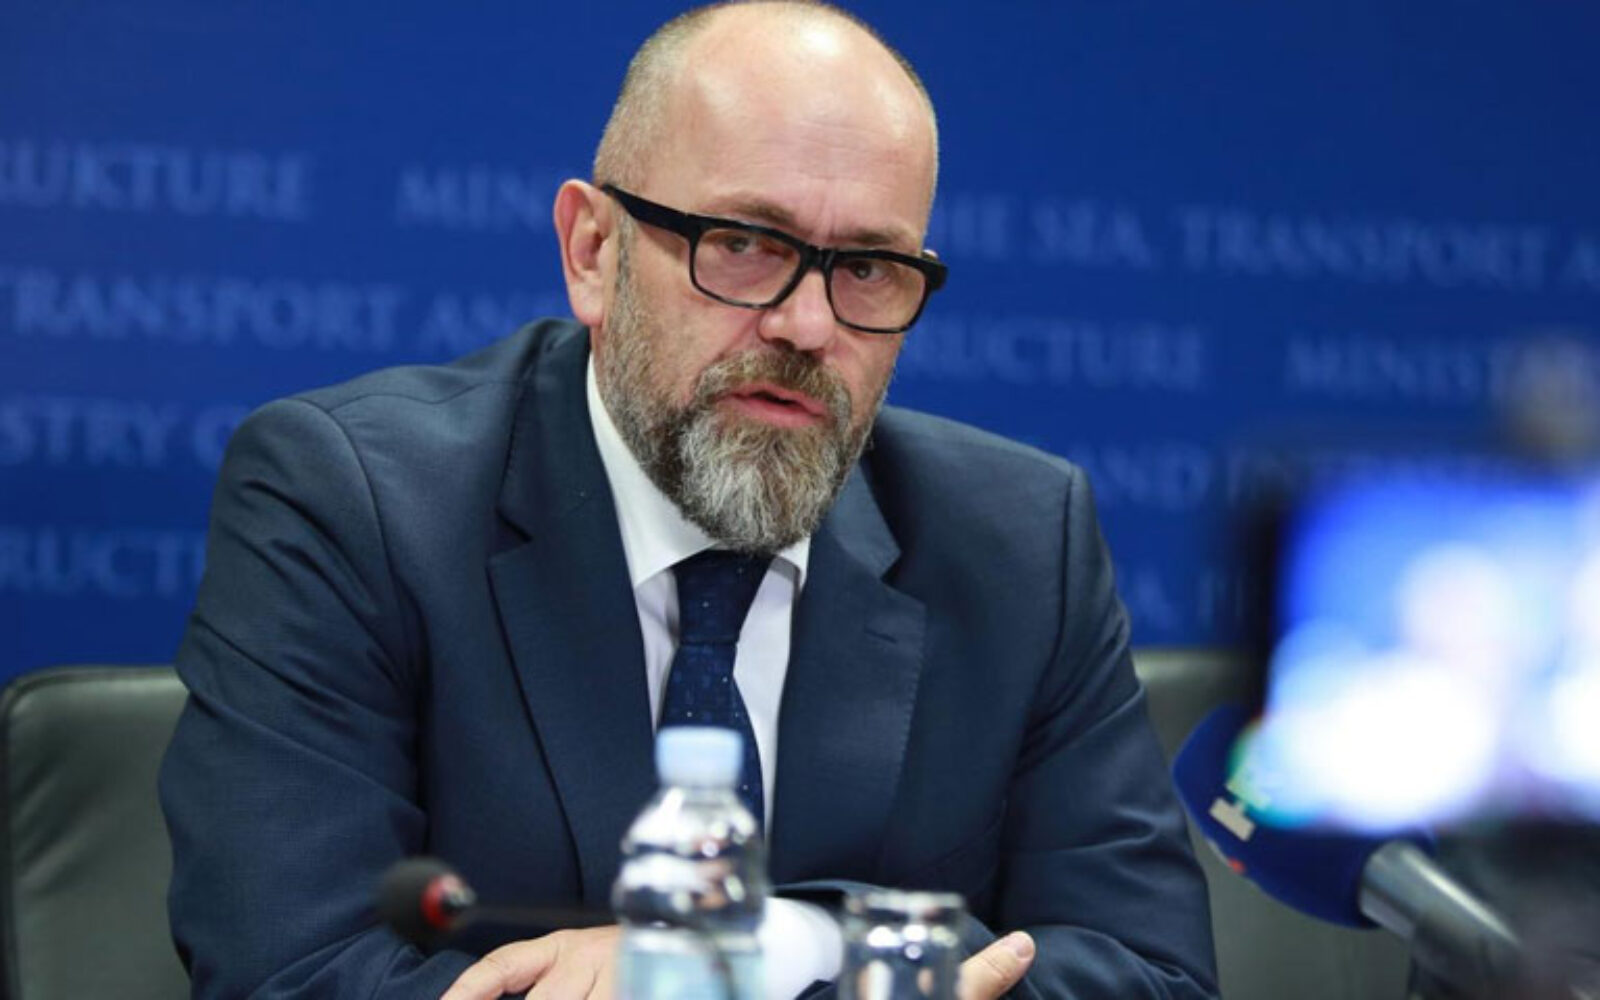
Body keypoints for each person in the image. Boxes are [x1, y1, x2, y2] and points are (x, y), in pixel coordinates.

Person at [159, 3, 1219, 998]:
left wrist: (786, 944)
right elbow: (290, 969)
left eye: (867, 268)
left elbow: (1150, 971)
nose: (808, 325)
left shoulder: (1020, 539)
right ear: (593, 252)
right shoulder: (352, 498)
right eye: (744, 245)